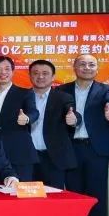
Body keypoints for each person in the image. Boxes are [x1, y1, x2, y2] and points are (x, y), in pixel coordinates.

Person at [56, 54, 109, 216]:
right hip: (71, 149)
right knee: (74, 197)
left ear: (97, 68)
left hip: (95, 151)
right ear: (74, 67)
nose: (87, 67)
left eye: (91, 64)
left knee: (96, 197)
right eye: (82, 64)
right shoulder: (62, 90)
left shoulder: (106, 89)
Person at [0, 56, 39, 180]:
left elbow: (34, 112)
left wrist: (27, 118)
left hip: (20, 153)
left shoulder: (25, 93)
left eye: (7, 69)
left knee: (21, 189)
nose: (3, 72)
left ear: (13, 71)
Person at [28, 60, 77, 189]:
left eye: (45, 73)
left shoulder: (63, 98)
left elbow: (73, 112)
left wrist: (74, 119)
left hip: (53, 158)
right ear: (30, 76)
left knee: (54, 196)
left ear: (53, 77)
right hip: (27, 158)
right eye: (36, 73)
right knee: (27, 197)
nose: (40, 76)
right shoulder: (21, 97)